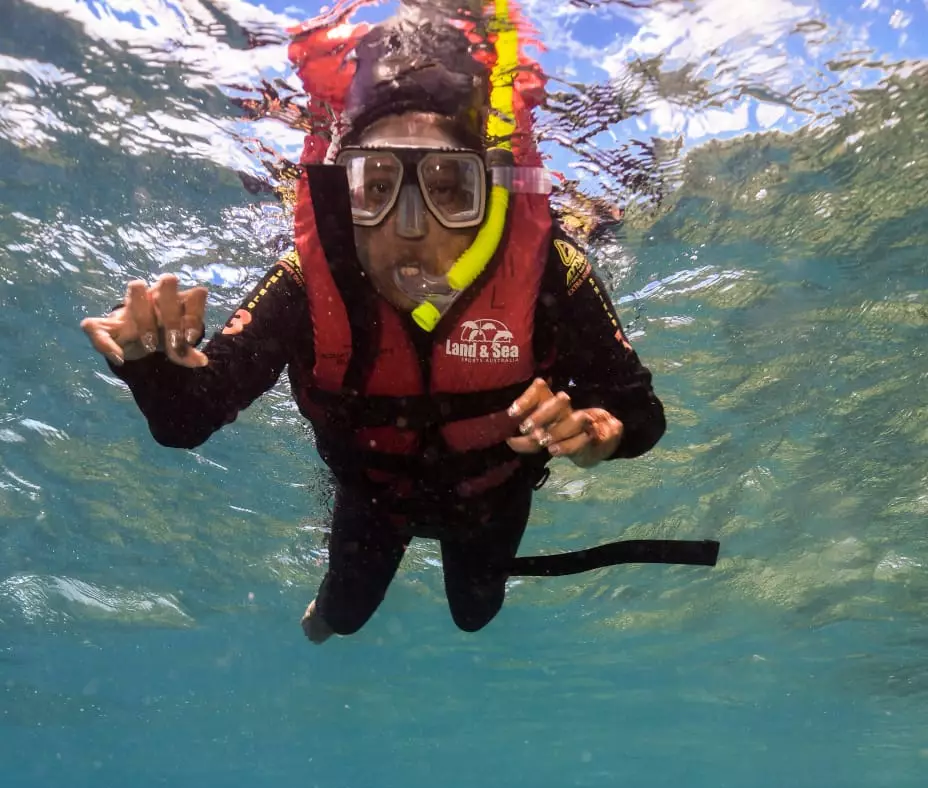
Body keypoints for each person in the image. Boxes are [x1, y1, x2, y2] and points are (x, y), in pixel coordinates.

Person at [81, 8, 670, 643]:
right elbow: (186, 418)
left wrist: (598, 432)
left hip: (492, 501)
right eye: (376, 186)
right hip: (373, 501)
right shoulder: (306, 284)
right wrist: (149, 364)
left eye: (450, 188)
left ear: (491, 195)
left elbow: (639, 412)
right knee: (343, 616)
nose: (410, 226)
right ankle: (329, 615)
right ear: (342, 192)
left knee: (475, 617)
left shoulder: (552, 271)